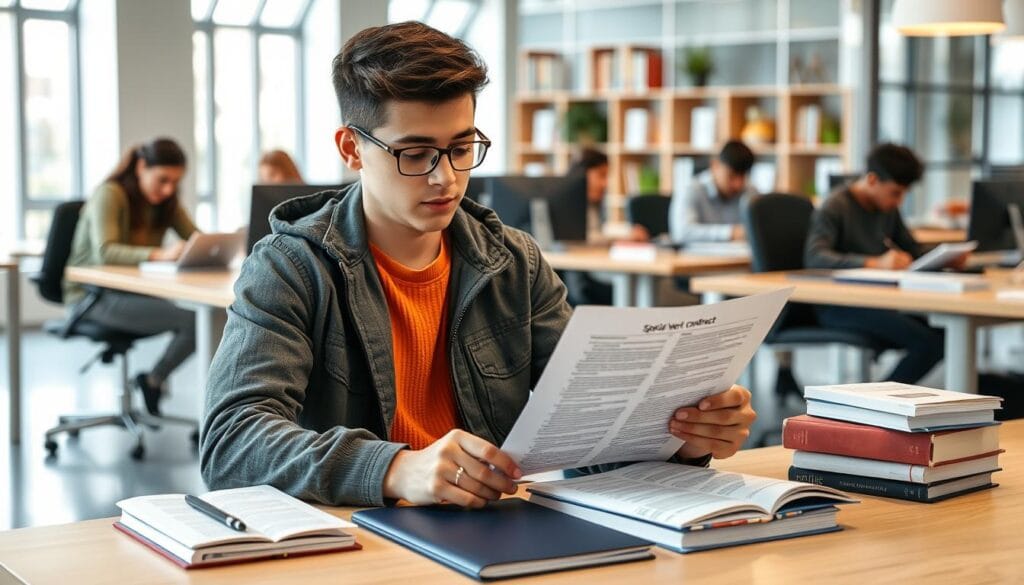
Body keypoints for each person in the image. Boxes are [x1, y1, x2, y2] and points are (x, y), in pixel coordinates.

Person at [201, 21, 756, 508]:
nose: (445, 177)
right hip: (358, 539)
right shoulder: (291, 268)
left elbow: (592, 426)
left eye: (461, 147)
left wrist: (681, 438)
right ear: (351, 148)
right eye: (414, 154)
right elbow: (232, 442)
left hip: (490, 533)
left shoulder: (513, 262)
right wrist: (395, 469)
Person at [64, 138, 198, 416]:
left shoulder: (166, 201)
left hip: (129, 292)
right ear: (141, 167)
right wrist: (160, 254)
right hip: (91, 296)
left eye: (175, 182)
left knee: (206, 317)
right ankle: (155, 380)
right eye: (162, 179)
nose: (168, 189)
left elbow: (196, 238)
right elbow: (105, 252)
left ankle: (152, 380)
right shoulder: (111, 194)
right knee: (193, 321)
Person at [805, 143, 944, 384]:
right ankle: (878, 404)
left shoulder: (886, 207)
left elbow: (911, 248)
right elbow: (815, 257)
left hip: (876, 301)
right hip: (839, 305)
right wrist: (875, 262)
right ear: (871, 180)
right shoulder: (835, 206)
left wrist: (945, 255)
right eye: (895, 193)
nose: (899, 201)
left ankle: (879, 400)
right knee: (928, 343)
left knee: (943, 335)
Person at [668, 140, 758, 243]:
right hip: (698, 258)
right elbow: (682, 233)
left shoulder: (750, 192)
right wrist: (730, 233)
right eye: (731, 176)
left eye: (742, 177)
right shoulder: (691, 190)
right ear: (715, 166)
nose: (737, 184)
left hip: (739, 258)